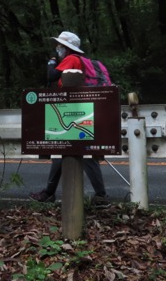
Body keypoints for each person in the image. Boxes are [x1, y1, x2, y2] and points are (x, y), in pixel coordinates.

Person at [29, 31, 110, 205]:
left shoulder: (72, 59)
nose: (57, 48)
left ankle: (101, 196)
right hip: (81, 109)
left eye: (60, 46)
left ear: (66, 47)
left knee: (81, 151)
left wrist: (51, 62)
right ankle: (50, 192)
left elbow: (51, 76)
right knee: (69, 151)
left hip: (75, 110)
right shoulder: (82, 61)